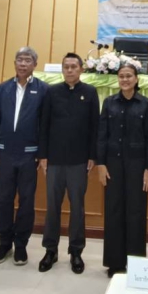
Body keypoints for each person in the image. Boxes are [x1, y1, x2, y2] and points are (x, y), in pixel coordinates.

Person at [0, 46, 49, 266]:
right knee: (3, 199)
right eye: (19, 60)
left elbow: (45, 124)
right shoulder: (2, 89)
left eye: (27, 60)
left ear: (35, 65)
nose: (23, 64)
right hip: (4, 152)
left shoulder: (43, 90)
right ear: (15, 63)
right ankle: (4, 243)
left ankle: (21, 245)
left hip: (29, 154)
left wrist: (42, 153)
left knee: (26, 200)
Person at [37, 52, 99, 274]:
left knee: (77, 207)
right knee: (52, 206)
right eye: (66, 67)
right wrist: (43, 155)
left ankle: (76, 251)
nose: (70, 70)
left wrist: (92, 155)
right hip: (54, 159)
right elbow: (44, 125)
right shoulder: (52, 92)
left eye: (74, 66)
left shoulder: (90, 92)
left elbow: (95, 127)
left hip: (79, 160)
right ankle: (50, 250)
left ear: (81, 69)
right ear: (62, 69)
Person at [96, 62, 148, 277]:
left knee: (136, 212)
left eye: (129, 76)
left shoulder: (146, 104)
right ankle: (115, 263)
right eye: (121, 76)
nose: (125, 79)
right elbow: (102, 135)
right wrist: (101, 164)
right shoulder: (109, 103)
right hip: (112, 165)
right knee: (113, 211)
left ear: (136, 79)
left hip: (137, 166)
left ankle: (136, 264)